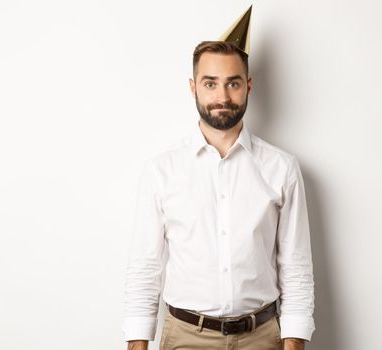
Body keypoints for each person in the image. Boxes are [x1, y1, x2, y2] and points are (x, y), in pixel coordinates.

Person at [123, 6, 314, 350]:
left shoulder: (282, 168)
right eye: (210, 84)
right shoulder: (161, 170)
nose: (222, 97)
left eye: (233, 83)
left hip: (262, 337)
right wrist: (137, 342)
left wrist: (294, 343)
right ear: (193, 87)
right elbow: (145, 269)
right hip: (185, 337)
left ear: (249, 86)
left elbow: (296, 267)